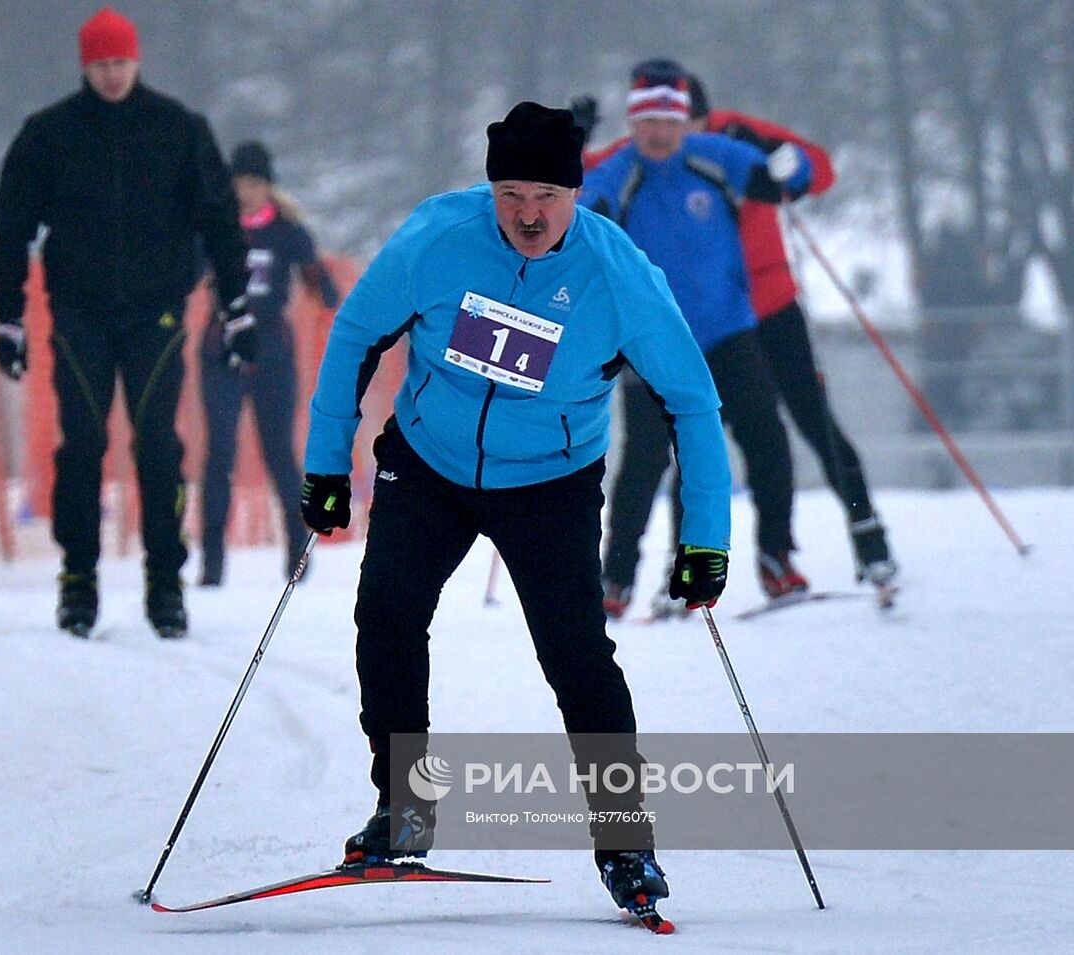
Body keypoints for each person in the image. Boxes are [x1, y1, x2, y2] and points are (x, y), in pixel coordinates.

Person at [299, 102, 733, 920]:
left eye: (545, 195)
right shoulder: (437, 238)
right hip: (429, 460)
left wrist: (706, 538)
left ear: (575, 192)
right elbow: (356, 334)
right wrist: (327, 464)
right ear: (488, 189)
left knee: (576, 656)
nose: (527, 215)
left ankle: (625, 840)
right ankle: (408, 805)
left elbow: (693, 401)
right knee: (386, 615)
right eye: (509, 194)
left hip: (550, 479)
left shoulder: (616, 272)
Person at [0, 6, 254, 639]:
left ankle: (165, 582)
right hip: (78, 312)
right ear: (86, 66)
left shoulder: (179, 130)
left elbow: (220, 220)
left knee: (157, 446)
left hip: (156, 312)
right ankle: (78, 578)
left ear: (138, 61)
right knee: (81, 447)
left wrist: (235, 307)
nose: (112, 75)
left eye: (121, 63)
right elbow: (13, 228)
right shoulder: (48, 135)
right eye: (101, 64)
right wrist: (9, 318)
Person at [583, 72, 897, 591]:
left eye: (686, 120)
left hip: (765, 308)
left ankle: (865, 540)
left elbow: (810, 170)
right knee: (684, 450)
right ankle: (677, 572)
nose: (672, 131)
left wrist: (783, 166)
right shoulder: (643, 149)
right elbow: (588, 189)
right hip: (689, 323)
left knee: (808, 425)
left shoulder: (729, 140)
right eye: (655, 120)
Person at [579, 60, 814, 620]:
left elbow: (787, 178)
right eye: (646, 123)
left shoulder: (711, 158)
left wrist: (783, 157)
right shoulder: (623, 170)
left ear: (684, 123)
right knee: (645, 461)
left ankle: (775, 560)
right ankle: (615, 579)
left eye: (668, 121)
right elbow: (586, 207)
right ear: (633, 126)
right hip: (653, 340)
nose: (657, 134)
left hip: (728, 330)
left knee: (765, 439)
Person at [198, 141, 340, 586]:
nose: (246, 192)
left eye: (255, 184)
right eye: (239, 183)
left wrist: (323, 286)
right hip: (221, 348)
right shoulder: (215, 227)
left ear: (269, 187)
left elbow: (319, 281)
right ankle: (212, 561)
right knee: (219, 451)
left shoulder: (286, 232)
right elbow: (186, 270)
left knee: (279, 452)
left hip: (272, 352)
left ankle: (297, 553)